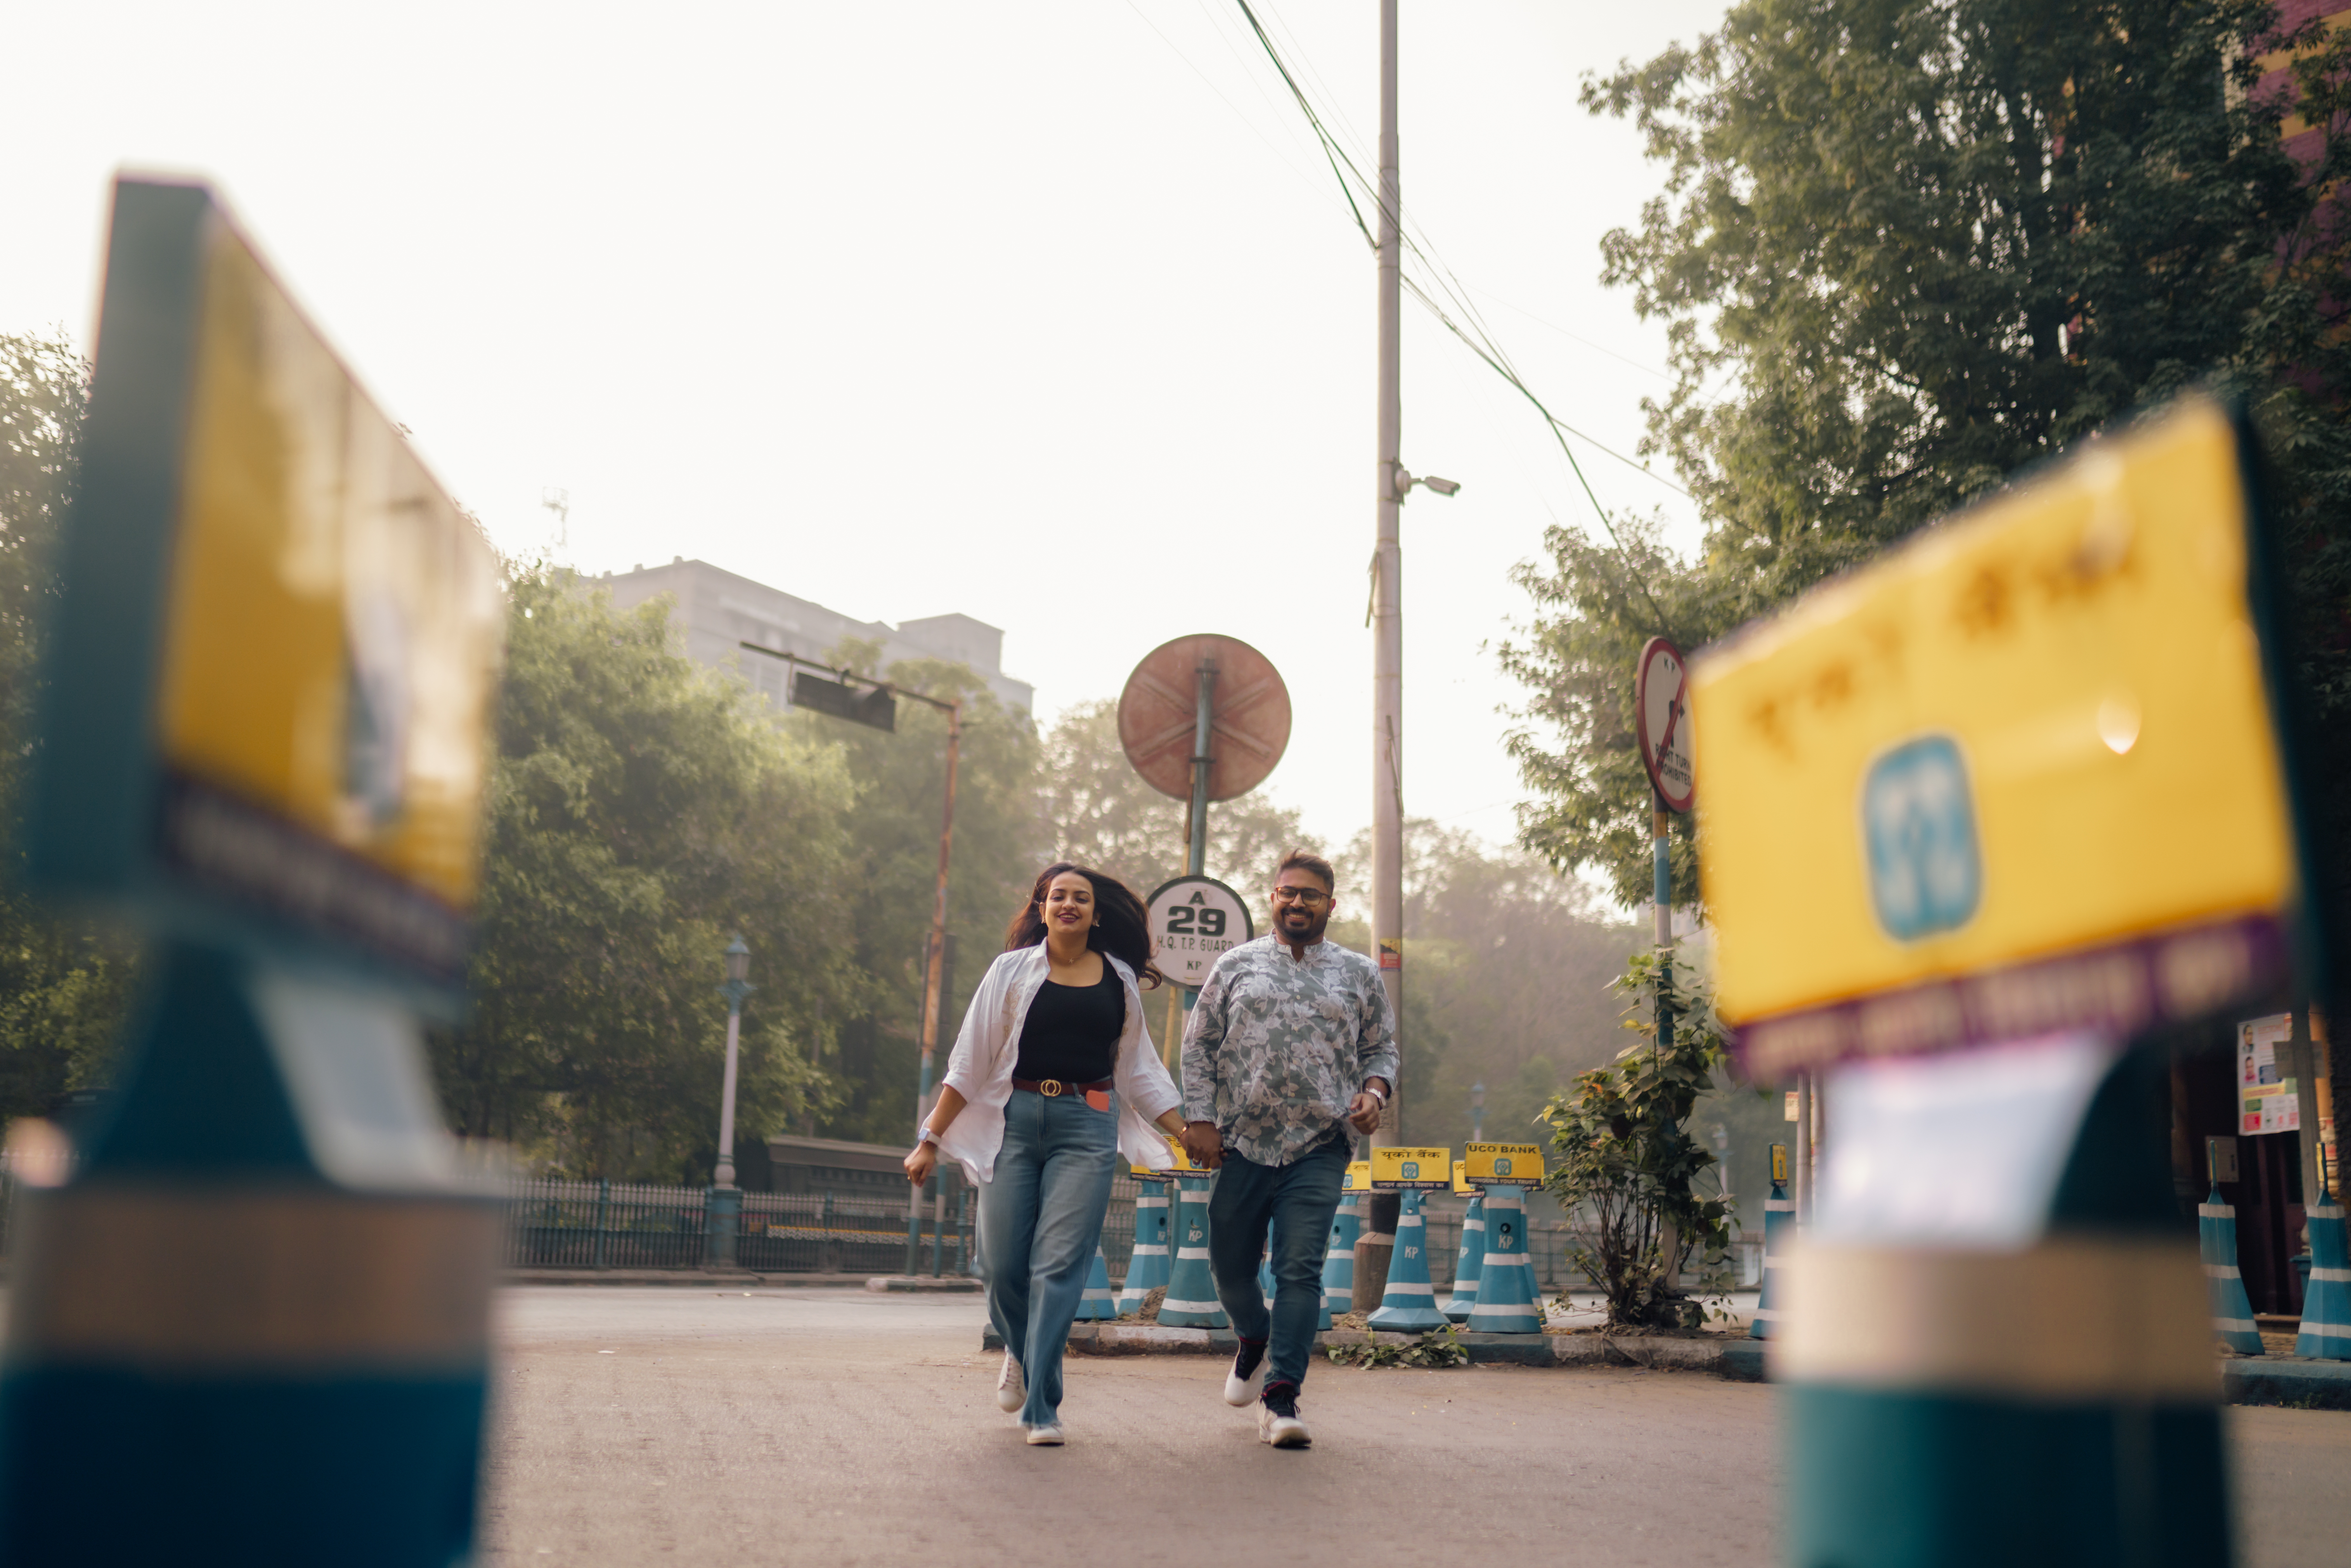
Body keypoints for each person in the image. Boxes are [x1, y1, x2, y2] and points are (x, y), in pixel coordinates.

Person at [905, 863, 1188, 1446]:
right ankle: (1021, 1346)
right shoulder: (1011, 971)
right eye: (1057, 896)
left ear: (1095, 913)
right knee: (1000, 1264)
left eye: (1080, 898)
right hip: (1013, 1121)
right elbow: (970, 1061)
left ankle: (1042, 1405)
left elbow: (1139, 1071)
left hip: (1086, 1125)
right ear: (1041, 908)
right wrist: (930, 1138)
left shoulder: (1118, 980)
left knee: (1058, 1265)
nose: (1069, 905)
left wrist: (1184, 1132)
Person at [1180, 849, 1396, 1449]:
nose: (1296, 902)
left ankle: (1282, 1398)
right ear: (1272, 898)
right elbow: (1198, 1048)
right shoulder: (1235, 966)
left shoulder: (1358, 974)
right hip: (1242, 1143)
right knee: (1230, 1269)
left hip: (1319, 1145)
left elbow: (1382, 1050)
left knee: (1299, 1270)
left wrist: (1375, 1092)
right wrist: (1198, 1119)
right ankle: (1252, 1335)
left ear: (1331, 903)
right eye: (1287, 892)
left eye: (1310, 894)